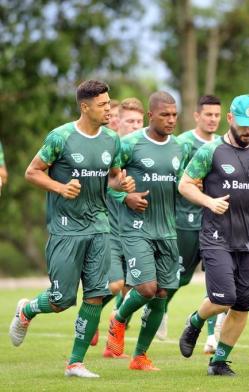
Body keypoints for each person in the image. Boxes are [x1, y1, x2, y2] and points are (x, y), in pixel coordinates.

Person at [8, 80, 135, 378]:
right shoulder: (61, 137)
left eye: (109, 103)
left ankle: (75, 363)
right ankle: (26, 310)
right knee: (61, 299)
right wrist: (60, 188)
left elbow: (113, 179)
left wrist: (122, 186)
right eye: (103, 105)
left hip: (99, 226)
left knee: (95, 293)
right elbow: (32, 172)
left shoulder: (111, 141)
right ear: (85, 106)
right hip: (66, 229)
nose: (109, 110)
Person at [178, 94, 249, 376]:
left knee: (243, 304)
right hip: (217, 237)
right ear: (230, 119)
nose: (247, 131)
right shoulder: (211, 152)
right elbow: (185, 184)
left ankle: (218, 362)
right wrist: (208, 201)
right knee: (223, 298)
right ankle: (195, 320)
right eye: (242, 125)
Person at [104, 91, 189, 371]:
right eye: (164, 115)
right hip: (135, 228)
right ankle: (119, 317)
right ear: (151, 116)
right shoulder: (128, 144)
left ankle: (139, 356)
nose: (171, 120)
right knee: (146, 288)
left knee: (162, 294)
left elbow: (185, 183)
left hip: (167, 230)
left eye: (174, 115)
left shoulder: (180, 147)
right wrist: (125, 198)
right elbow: (107, 181)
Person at [156, 95, 222, 354]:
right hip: (184, 221)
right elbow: (174, 178)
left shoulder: (223, 144)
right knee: (179, 278)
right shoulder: (182, 143)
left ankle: (212, 336)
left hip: (216, 222)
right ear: (197, 116)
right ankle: (160, 310)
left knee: (216, 280)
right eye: (208, 115)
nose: (213, 119)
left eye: (217, 115)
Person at [91, 97, 146, 350]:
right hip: (110, 228)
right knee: (116, 285)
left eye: (139, 121)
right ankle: (89, 316)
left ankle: (115, 335)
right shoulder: (110, 150)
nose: (135, 126)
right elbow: (102, 186)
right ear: (117, 122)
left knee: (134, 288)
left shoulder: (145, 148)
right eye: (130, 121)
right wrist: (124, 193)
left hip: (137, 229)